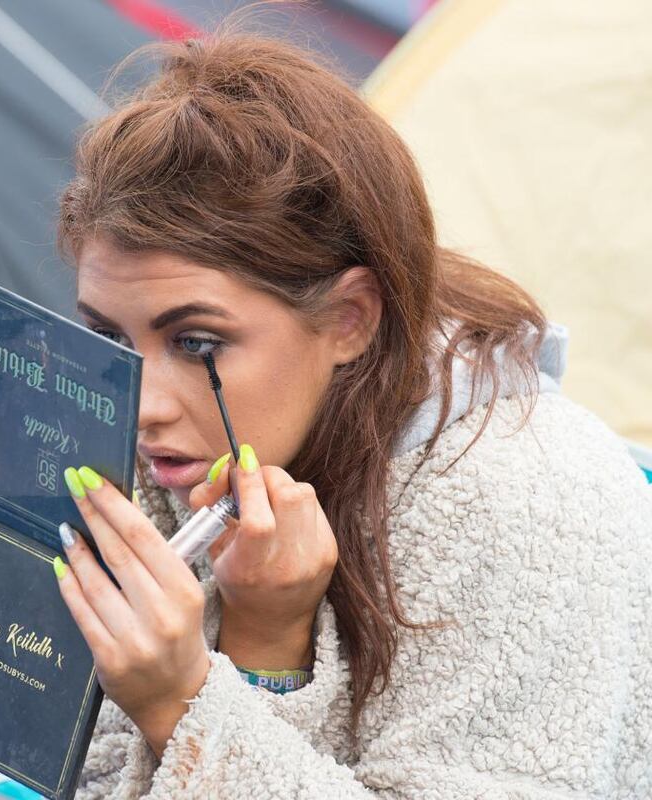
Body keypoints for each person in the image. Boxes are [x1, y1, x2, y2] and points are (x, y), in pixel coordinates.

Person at [50, 23, 652, 800]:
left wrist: (178, 701)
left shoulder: (532, 504)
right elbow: (86, 777)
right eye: (110, 337)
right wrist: (262, 644)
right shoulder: (187, 451)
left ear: (349, 319)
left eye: (196, 343)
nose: (142, 405)